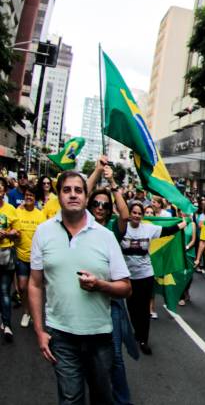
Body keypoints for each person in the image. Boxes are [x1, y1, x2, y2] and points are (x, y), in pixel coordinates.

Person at [28, 170, 132, 404]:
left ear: (85, 197)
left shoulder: (105, 236)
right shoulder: (43, 232)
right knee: (70, 398)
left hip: (99, 335)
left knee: (101, 398)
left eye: (78, 190)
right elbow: (35, 284)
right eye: (66, 190)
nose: (73, 195)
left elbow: (126, 288)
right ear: (58, 196)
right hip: (60, 335)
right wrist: (39, 330)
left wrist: (100, 285)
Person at [89, 184, 136, 405]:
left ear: (109, 210)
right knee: (89, 356)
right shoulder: (82, 225)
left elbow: (125, 216)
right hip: (87, 298)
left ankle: (122, 401)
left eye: (105, 205)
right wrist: (97, 173)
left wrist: (115, 187)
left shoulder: (111, 227)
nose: (100, 207)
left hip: (111, 299)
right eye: (96, 204)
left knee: (115, 356)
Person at [120, 200, 187, 354]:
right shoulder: (122, 229)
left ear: (142, 216)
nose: (136, 215)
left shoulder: (149, 228)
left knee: (144, 309)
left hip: (145, 275)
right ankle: (137, 331)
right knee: (132, 308)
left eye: (139, 213)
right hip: (128, 277)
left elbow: (167, 230)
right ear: (129, 214)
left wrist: (182, 223)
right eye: (134, 212)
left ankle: (144, 339)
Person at [11, 183, 45, 328]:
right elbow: (11, 228)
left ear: (35, 198)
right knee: (23, 288)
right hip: (21, 257)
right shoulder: (17, 212)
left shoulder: (41, 215)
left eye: (31, 195)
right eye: (26, 195)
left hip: (37, 259)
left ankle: (32, 312)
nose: (28, 197)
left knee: (36, 287)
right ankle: (27, 311)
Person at [0, 178, 16, 340]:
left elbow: (17, 232)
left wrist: (9, 233)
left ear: (4, 191)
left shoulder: (11, 209)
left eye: (1, 188)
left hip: (6, 254)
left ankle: (7, 325)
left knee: (5, 291)